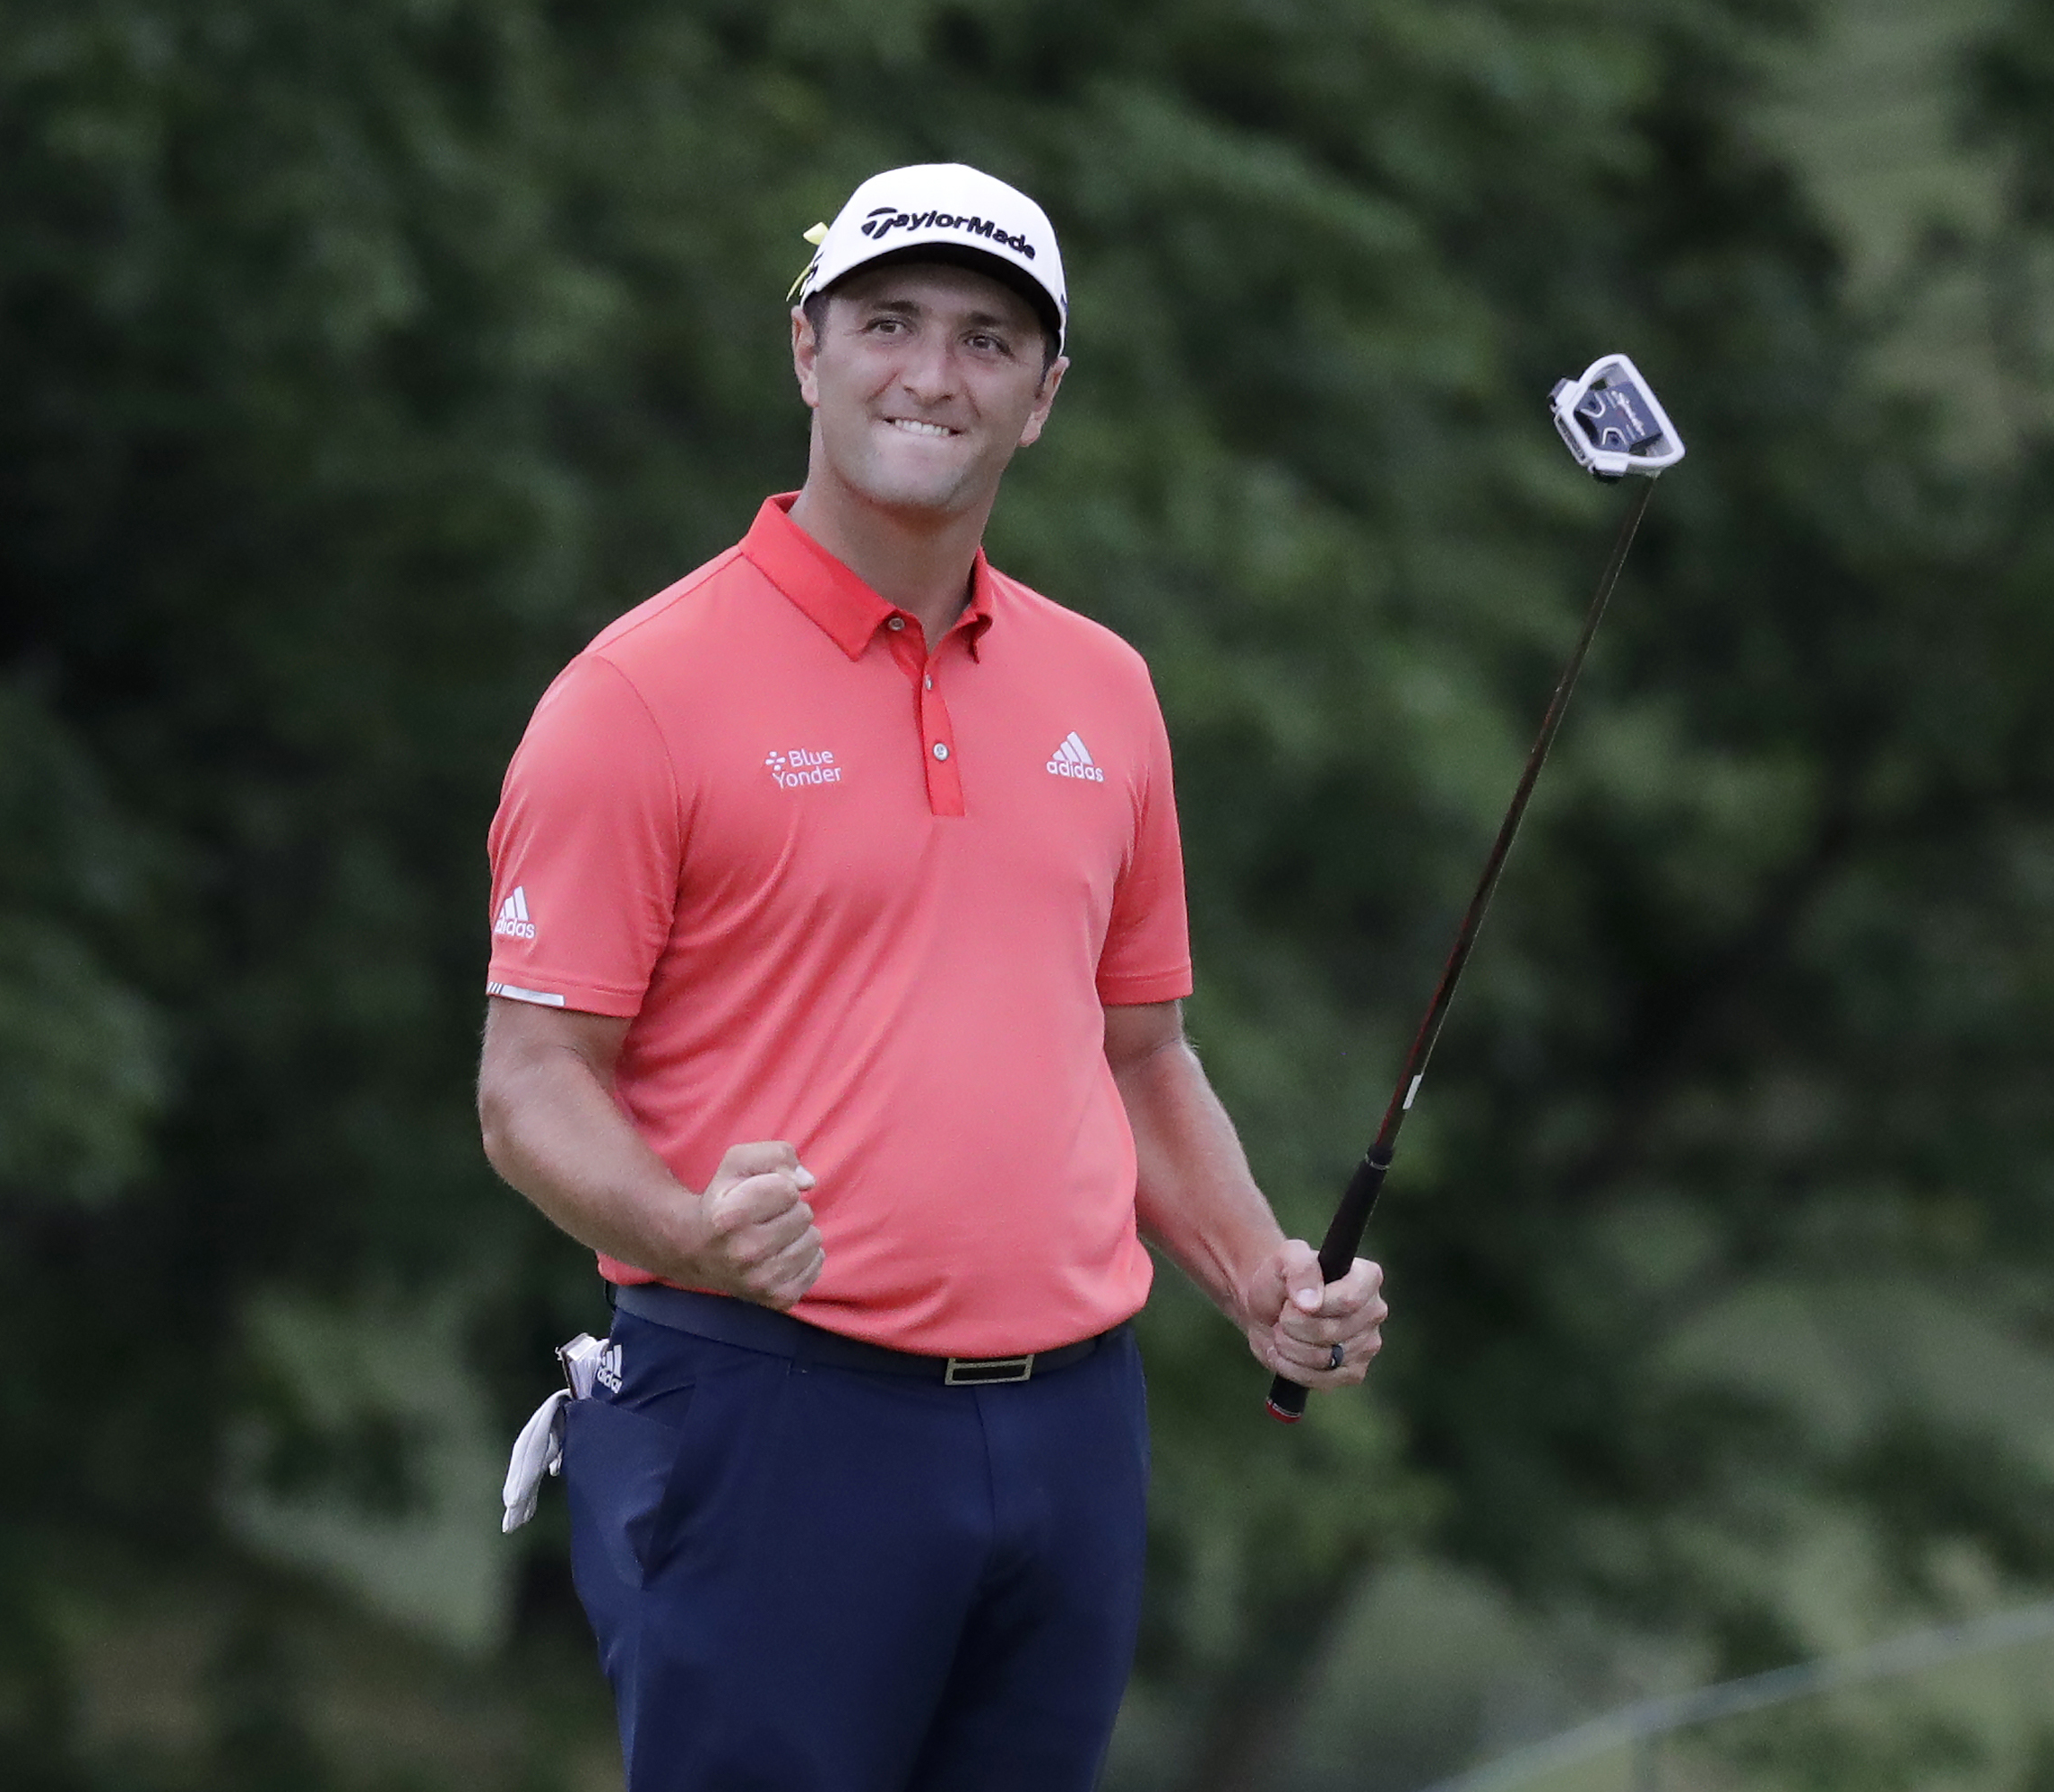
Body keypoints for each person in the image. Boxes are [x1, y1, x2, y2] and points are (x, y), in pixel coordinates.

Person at [476, 162, 1387, 1792]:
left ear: (1043, 396)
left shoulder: (1103, 689)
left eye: (985, 340)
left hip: (1072, 1432)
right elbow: (532, 1083)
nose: (930, 373)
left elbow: (1139, 1055)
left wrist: (1257, 1275)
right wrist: (682, 1230)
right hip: (773, 1408)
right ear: (807, 351)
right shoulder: (638, 693)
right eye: (887, 322)